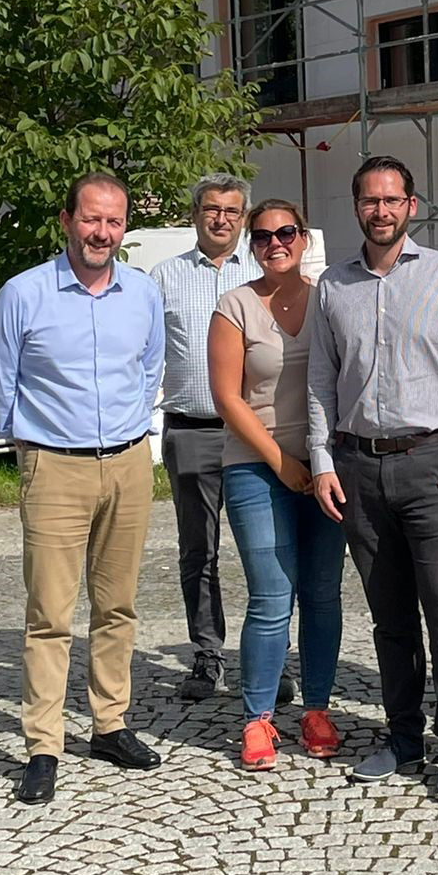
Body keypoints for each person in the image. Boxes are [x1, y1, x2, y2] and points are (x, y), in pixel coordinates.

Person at [307, 154, 438, 802]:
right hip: (359, 467)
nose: (381, 211)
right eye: (370, 201)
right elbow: (322, 382)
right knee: (389, 619)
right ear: (356, 207)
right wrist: (324, 460)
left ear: (411, 205)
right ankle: (403, 738)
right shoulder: (334, 286)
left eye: (392, 200)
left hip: (434, 465)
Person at [0, 171, 166, 805]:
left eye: (114, 222)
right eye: (91, 219)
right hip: (54, 466)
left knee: (117, 606)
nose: (102, 232)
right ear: (66, 220)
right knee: (51, 615)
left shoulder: (142, 294)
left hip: (128, 463)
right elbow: (0, 385)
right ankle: (43, 745)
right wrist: (30, 445)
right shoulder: (23, 294)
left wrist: (130, 432)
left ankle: (109, 724)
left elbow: (150, 369)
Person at [209, 199, 347, 770]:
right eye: (262, 236)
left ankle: (315, 707)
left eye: (285, 232)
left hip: (325, 466)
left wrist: (320, 463)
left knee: (322, 591)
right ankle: (258, 718)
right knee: (270, 595)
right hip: (254, 464)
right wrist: (280, 461)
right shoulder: (235, 306)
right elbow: (227, 397)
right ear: (251, 244)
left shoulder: (329, 298)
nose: (275, 243)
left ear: (303, 237)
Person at [148, 172, 268, 703]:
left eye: (233, 211)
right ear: (195, 213)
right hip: (193, 430)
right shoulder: (164, 278)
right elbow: (147, 354)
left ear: (244, 219)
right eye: (212, 209)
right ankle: (207, 653)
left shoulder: (264, 273)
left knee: (264, 549)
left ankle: (267, 658)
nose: (222, 219)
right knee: (199, 550)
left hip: (257, 433)